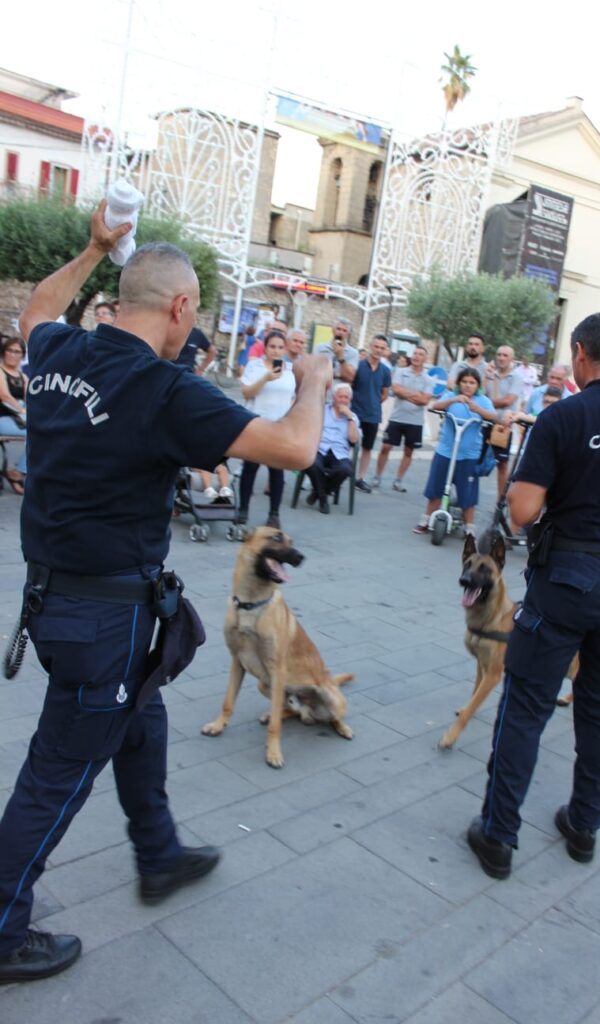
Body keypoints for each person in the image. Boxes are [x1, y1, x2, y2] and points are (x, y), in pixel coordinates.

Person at [0, 205, 331, 984]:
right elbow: (295, 447)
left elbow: (38, 308)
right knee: (57, 773)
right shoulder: (163, 388)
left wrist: (93, 247)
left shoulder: (61, 351)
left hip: (63, 602)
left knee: (140, 720)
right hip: (103, 618)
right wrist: (313, 381)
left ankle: (158, 853)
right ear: (181, 306)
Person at [466, 311, 600, 881]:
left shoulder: (564, 416)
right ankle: (584, 827)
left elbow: (522, 510)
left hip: (566, 581)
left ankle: (498, 836)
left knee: (525, 708)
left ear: (582, 353)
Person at [413, 368, 496, 535]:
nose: (467, 385)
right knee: (436, 487)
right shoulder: (451, 396)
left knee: (468, 493)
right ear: (459, 383)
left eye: (472, 382)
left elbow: (494, 417)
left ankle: (469, 527)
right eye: (464, 382)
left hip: (469, 455)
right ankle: (427, 518)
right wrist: (453, 400)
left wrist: (478, 410)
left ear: (477, 385)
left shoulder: (482, 401)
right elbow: (435, 406)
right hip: (445, 451)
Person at [238, 329, 297, 529]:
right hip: (257, 424)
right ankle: (243, 508)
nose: (276, 351)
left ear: (285, 349)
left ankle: (274, 514)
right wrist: (266, 378)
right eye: (272, 346)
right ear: (265, 347)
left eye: (280, 347)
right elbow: (246, 393)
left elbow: (294, 397)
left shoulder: (291, 370)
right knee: (250, 468)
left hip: (279, 427)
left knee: (276, 471)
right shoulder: (255, 366)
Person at [371, 344, 434, 492]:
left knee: (408, 451)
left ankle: (398, 480)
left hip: (415, 421)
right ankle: (377, 476)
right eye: (415, 353)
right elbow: (396, 390)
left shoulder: (428, 379)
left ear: (425, 359)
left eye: (420, 354)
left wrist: (406, 394)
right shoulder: (401, 372)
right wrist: (416, 394)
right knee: (385, 447)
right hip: (397, 418)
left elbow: (425, 400)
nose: (416, 356)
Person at [305, 382, 359, 513]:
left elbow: (354, 439)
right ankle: (323, 499)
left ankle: (318, 493)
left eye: (346, 397)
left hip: (339, 452)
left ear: (350, 399)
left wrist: (350, 418)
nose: (343, 400)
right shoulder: (322, 411)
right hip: (320, 448)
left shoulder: (353, 417)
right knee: (311, 464)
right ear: (334, 397)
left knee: (345, 469)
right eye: (340, 397)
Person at [351, 334, 392, 493]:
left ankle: (360, 478)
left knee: (367, 448)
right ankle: (338, 474)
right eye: (376, 346)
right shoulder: (358, 365)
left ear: (385, 350)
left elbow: (385, 394)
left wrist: (373, 403)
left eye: (382, 348)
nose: (378, 350)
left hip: (373, 415)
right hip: (355, 413)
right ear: (370, 346)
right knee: (346, 444)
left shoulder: (386, 371)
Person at [484, 345, 524, 500]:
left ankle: (500, 501)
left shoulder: (516, 378)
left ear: (512, 358)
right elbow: (480, 393)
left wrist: (485, 404)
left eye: (505, 355)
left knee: (502, 464)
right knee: (474, 460)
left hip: (503, 427)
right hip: (486, 423)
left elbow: (508, 400)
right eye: (499, 354)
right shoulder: (490, 374)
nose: (501, 358)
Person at [0, 336, 28, 494]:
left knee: (44, 430)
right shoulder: (0, 371)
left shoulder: (24, 377)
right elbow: (4, 396)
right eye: (9, 350)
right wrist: (22, 411)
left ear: (22, 355)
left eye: (17, 351)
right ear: (4, 352)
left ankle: (17, 471)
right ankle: (17, 473)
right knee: (36, 432)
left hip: (18, 419)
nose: (12, 354)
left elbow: (29, 399)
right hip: (3, 417)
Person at [317, 319, 358, 384]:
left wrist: (341, 357)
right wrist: (338, 374)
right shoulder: (320, 348)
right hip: (322, 385)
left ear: (348, 334)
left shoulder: (353, 353)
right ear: (333, 330)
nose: (341, 332)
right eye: (338, 329)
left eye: (344, 330)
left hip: (341, 387)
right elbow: (315, 370)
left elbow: (350, 377)